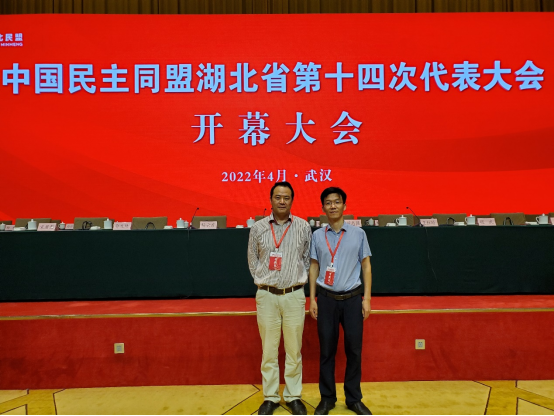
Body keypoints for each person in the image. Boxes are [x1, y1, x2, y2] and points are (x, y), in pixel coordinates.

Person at [248, 182, 312, 416]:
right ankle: (271, 397)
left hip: (294, 295)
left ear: (292, 200)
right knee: (269, 351)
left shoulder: (303, 226)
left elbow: (307, 260)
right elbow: (252, 259)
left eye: (286, 197)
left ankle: (293, 396)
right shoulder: (258, 228)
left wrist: (295, 280)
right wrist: (264, 280)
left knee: (294, 350)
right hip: (267, 295)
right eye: (278, 197)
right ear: (271, 200)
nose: (282, 201)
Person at [309, 187, 373, 416]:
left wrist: (367, 299)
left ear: (345, 205)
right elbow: (314, 267)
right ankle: (327, 398)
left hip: (353, 299)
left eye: (337, 202)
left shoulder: (359, 234)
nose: (333, 206)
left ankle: (354, 398)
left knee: (354, 350)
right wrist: (312, 299)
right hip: (326, 300)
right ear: (323, 208)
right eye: (328, 202)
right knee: (327, 351)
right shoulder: (317, 235)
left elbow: (366, 266)